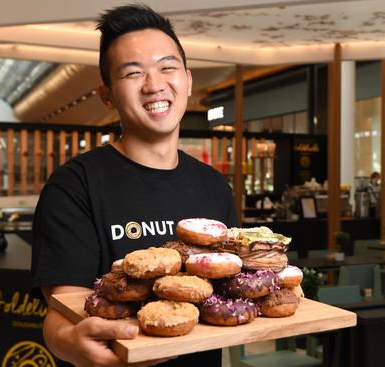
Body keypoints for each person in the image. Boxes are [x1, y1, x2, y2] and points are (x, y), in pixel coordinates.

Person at [31, 4, 237, 366]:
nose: (154, 84)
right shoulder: (74, 186)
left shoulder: (213, 185)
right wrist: (72, 345)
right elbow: (61, 316)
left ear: (188, 80)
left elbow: (227, 289)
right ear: (107, 95)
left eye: (167, 67)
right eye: (132, 73)